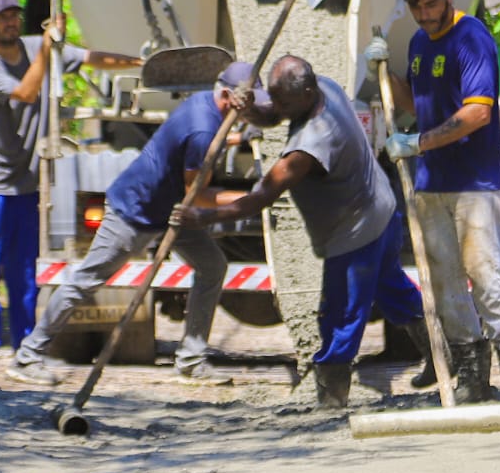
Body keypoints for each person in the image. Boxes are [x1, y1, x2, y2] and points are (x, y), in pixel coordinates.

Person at [178, 56, 430, 408]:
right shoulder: (322, 85)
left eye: (283, 101)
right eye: (275, 98)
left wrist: (205, 217)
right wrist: (250, 110)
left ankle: (332, 398)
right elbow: (275, 114)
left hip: (356, 231)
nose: (277, 107)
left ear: (305, 92)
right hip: (381, 210)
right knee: (391, 288)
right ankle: (438, 349)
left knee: (340, 314)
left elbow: (261, 197)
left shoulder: (312, 142)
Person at [5, 61, 251, 386]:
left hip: (169, 209)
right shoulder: (204, 126)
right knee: (87, 280)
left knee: (212, 265)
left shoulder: (202, 102)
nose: (250, 107)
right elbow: (198, 194)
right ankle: (27, 357)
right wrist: (251, 198)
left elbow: (207, 141)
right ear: (226, 95)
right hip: (134, 211)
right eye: (246, 101)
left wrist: (239, 138)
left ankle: (191, 360)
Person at [368, 0, 500, 403]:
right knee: (443, 282)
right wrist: (381, 75)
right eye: (416, 6)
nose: (425, 14)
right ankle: (472, 377)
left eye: (431, 3)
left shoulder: (471, 38)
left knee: (485, 274)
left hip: (473, 182)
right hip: (432, 184)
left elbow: (478, 112)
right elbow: (418, 106)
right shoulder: (419, 44)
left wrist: (419, 144)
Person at [0, 0, 141, 361]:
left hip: (27, 185)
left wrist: (142, 64)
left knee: (24, 275)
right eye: (1, 17)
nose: (9, 22)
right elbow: (26, 93)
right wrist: (47, 49)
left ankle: (28, 348)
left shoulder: (37, 47)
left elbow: (93, 58)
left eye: (13, 16)